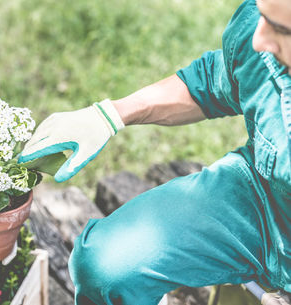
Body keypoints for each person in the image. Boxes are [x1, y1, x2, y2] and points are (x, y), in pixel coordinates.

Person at [19, 0, 291, 304]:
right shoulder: (260, 35)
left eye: (281, 29)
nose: (259, 38)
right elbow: (218, 81)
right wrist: (109, 115)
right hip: (264, 204)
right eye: (264, 15)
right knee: (107, 267)